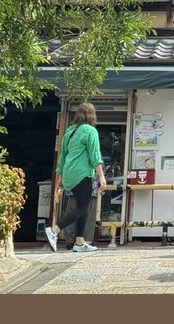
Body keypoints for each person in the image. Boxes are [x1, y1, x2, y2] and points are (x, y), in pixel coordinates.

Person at [44, 102, 106, 253]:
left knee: (81, 207)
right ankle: (54, 231)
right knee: (83, 208)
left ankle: (79, 242)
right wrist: (102, 177)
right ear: (92, 115)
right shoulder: (90, 131)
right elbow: (95, 156)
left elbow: (62, 159)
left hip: (69, 174)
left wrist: (59, 182)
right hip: (82, 173)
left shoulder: (69, 132)